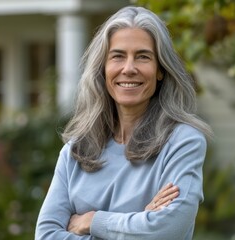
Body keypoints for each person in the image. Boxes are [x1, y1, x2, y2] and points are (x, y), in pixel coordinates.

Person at [35, 5, 212, 240]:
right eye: (118, 56)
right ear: (103, 69)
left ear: (160, 70)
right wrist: (139, 224)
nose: (129, 69)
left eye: (143, 56)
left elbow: (167, 230)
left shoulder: (183, 143)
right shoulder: (75, 151)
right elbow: (46, 235)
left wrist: (91, 220)